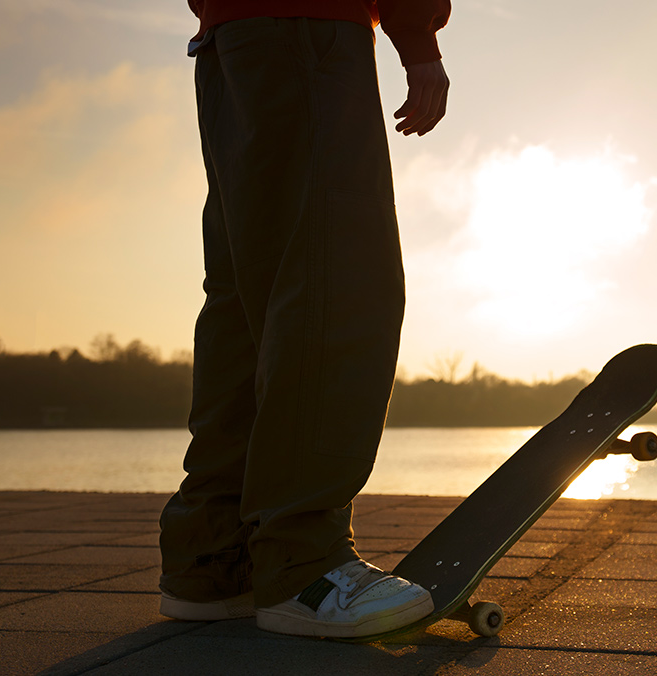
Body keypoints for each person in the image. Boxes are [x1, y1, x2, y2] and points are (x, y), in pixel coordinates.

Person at [156, 0, 450, 638]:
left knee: (248, 296)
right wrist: (417, 34)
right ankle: (301, 563)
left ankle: (215, 558)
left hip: (234, 39)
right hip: (308, 31)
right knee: (337, 279)